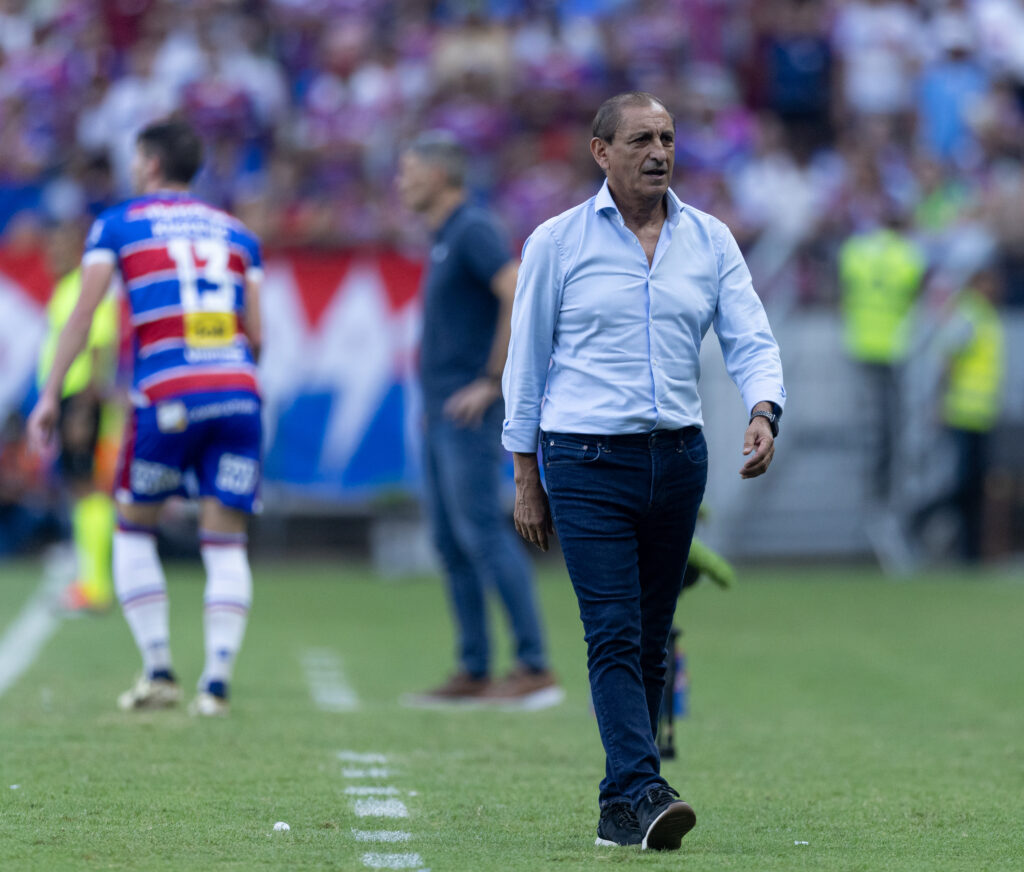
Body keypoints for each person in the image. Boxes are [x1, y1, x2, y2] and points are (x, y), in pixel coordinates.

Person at [502, 92, 785, 851]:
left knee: (652, 638)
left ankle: (618, 811)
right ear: (601, 152)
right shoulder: (557, 243)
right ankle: (642, 786)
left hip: (678, 458)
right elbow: (525, 364)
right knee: (616, 632)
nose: (658, 152)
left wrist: (764, 410)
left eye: (666, 137)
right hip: (585, 458)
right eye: (639, 140)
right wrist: (525, 472)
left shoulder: (711, 240)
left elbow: (749, 334)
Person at [27, 119, 264, 717]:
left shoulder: (119, 224)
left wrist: (52, 393)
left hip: (169, 396)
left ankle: (159, 669)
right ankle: (216, 685)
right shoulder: (238, 233)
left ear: (151, 164)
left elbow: (84, 315)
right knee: (225, 540)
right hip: (239, 392)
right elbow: (257, 335)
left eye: (136, 160)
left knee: (133, 529)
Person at [396, 132, 561, 709]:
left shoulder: (472, 229)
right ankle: (473, 667)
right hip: (441, 409)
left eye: (409, 169)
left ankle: (534, 665)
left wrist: (492, 381)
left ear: (441, 174)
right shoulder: (445, 236)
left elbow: (515, 291)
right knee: (449, 539)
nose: (401, 181)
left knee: (481, 534)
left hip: (470, 411)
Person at [37, 222, 120, 612]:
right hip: (71, 399)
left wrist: (84, 409)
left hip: (82, 399)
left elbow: (101, 348)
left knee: (87, 488)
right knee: (79, 488)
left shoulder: (87, 291)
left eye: (60, 247)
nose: (52, 255)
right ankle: (91, 581)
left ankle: (96, 586)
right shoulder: (65, 289)